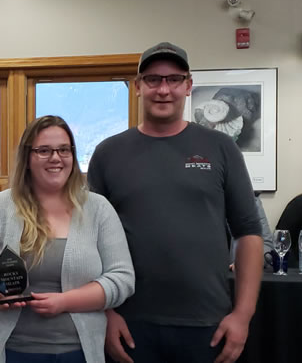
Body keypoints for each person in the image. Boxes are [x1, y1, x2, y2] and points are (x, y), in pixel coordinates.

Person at [87, 42, 264, 363]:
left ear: (188, 86)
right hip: (129, 323)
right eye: (153, 79)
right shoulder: (108, 153)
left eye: (174, 79)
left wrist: (243, 315)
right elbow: (90, 240)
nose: (163, 89)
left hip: (207, 323)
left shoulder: (221, 147)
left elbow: (249, 233)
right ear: (138, 86)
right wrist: (107, 312)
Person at [0, 115, 135, 363]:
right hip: (12, 352)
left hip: (81, 352)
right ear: (27, 158)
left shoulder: (98, 209)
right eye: (44, 150)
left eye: (64, 149)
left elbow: (122, 279)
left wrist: (65, 302)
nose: (55, 158)